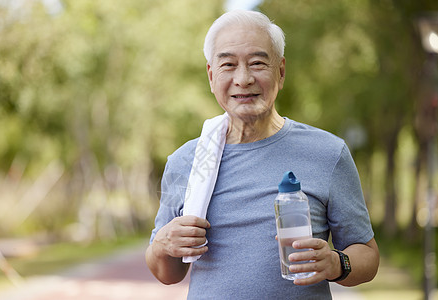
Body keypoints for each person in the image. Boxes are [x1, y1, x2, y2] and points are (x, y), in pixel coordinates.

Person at [146, 10, 379, 299]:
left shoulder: (328, 153)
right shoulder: (186, 162)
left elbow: (367, 254)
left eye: (257, 63)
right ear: (211, 75)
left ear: (280, 72)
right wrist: (161, 245)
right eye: (228, 64)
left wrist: (336, 263)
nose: (243, 79)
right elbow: (168, 274)